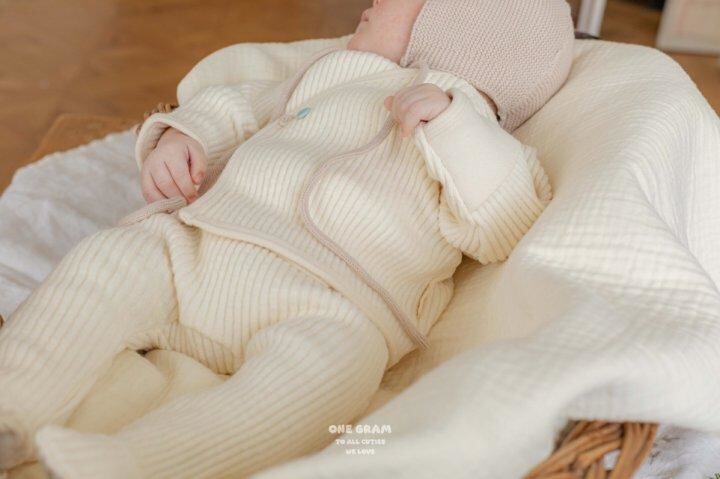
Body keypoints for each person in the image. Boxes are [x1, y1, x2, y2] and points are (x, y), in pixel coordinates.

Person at [0, 0, 574, 477]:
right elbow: (237, 108)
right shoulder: (329, 74)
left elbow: (505, 223)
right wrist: (180, 138)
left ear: (455, 27)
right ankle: (13, 405)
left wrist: (455, 124)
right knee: (107, 261)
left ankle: (130, 464)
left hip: (333, 307)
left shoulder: (479, 137)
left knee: (325, 385)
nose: (371, 3)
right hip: (202, 245)